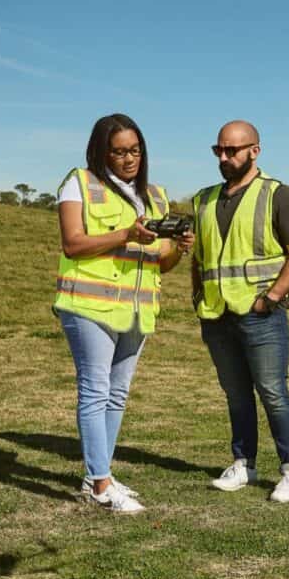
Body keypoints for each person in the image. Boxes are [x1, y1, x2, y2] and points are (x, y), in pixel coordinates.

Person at [52, 114, 194, 513]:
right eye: (118, 152)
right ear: (101, 151)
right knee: (95, 391)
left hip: (136, 311)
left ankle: (99, 475)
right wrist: (125, 234)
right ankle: (100, 485)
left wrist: (179, 248)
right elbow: (72, 244)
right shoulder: (79, 183)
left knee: (117, 394)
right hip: (89, 305)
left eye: (135, 150)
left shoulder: (154, 195)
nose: (129, 159)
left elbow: (159, 263)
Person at [189, 120, 289, 503]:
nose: (224, 157)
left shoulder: (279, 195)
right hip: (216, 314)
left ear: (254, 151)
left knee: (273, 392)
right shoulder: (202, 199)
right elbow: (199, 256)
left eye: (232, 150)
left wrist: (271, 298)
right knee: (236, 395)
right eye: (218, 151)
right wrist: (197, 296)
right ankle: (243, 463)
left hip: (261, 315)